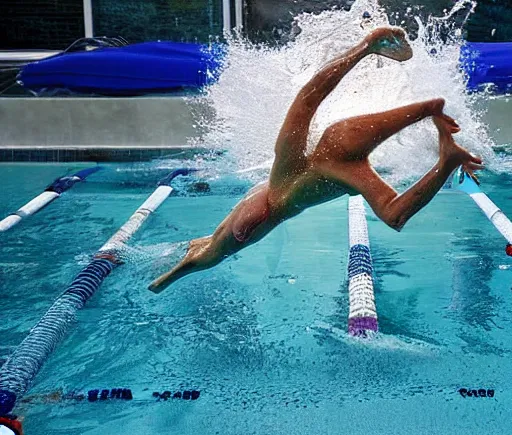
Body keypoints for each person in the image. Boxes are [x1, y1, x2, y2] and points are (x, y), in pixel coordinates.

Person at [148, 26, 483, 293]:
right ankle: (435, 124)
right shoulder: (337, 171)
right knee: (213, 247)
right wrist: (443, 150)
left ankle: (442, 144)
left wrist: (363, 49)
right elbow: (395, 216)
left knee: (214, 249)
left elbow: (313, 91)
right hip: (305, 173)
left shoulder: (305, 161)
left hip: (307, 168)